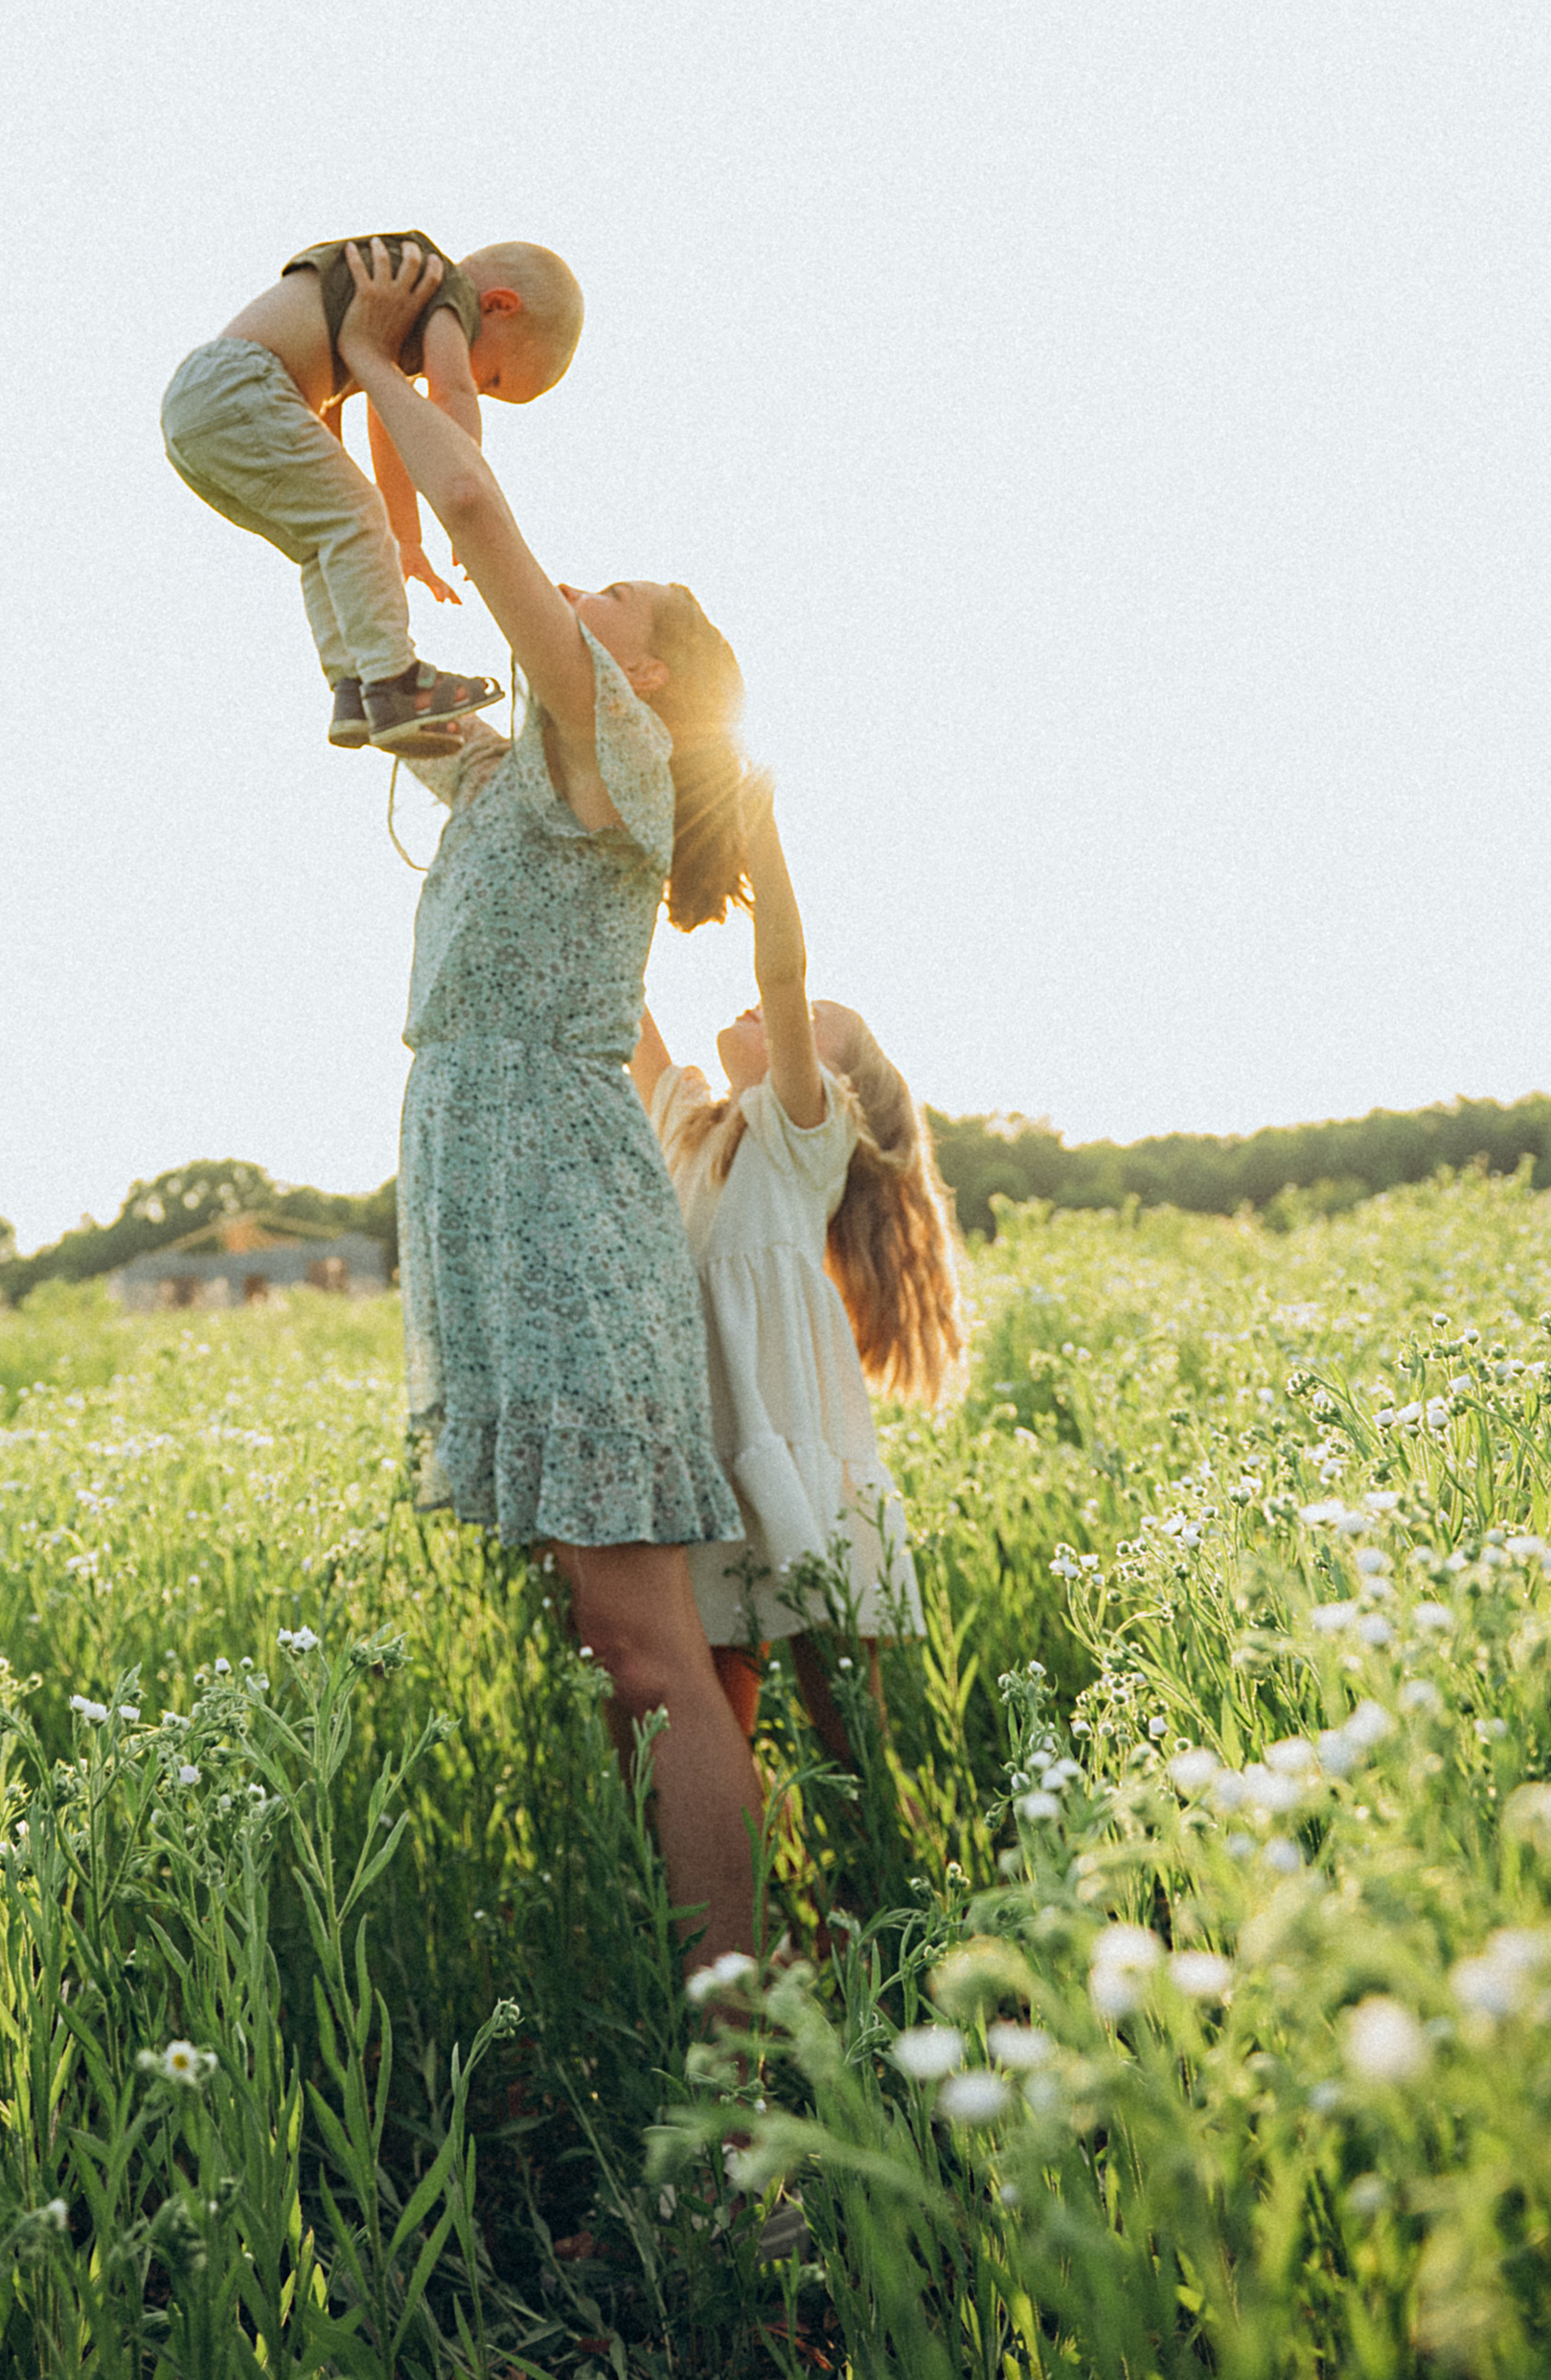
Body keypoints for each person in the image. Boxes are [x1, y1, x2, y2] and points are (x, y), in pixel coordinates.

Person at [333, 237, 765, 1969]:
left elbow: (482, 518)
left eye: (623, 597)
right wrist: (387, 420)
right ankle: (686, 1990)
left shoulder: (614, 745)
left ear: (649, 675)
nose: (588, 589)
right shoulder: (533, 758)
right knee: (605, 1646)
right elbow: (422, 599)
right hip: (489, 1184)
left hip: (567, 1207)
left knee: (651, 1651)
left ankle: (744, 2058)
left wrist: (377, 353)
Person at [632, 775, 968, 1762]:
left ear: (838, 1086)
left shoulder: (803, 1135)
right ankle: (757, 1862)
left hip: (786, 1443)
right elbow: (628, 1008)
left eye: (814, 1023)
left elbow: (781, 972)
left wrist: (761, 840)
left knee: (845, 1720)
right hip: (706, 1445)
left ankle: (884, 1851)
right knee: (714, 1711)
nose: (778, 1009)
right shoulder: (692, 1128)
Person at [160, 229, 584, 753]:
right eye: (493, 380)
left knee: (325, 541)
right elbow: (450, 394)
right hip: (243, 386)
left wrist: (407, 538)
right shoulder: (444, 289)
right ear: (498, 306)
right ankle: (394, 683)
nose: (478, 388)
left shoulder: (393, 310)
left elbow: (385, 422)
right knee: (355, 518)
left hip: (198, 412)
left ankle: (355, 687)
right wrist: (465, 502)